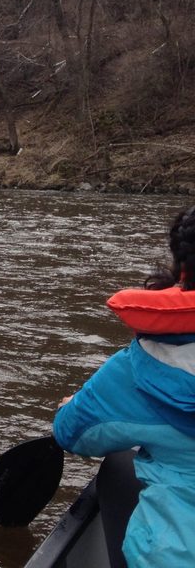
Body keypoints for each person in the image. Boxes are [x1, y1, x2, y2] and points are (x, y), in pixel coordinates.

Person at [53, 206, 195, 568]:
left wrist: (74, 403)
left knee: (120, 464)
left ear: (182, 272)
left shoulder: (139, 367)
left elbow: (70, 432)